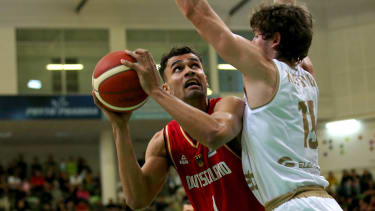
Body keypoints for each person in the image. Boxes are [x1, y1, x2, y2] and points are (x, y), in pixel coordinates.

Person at [172, 0, 343, 210]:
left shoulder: (265, 72)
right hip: (321, 201)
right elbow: (294, 22)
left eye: (256, 35)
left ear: (276, 40)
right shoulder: (306, 72)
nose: (252, 42)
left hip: (293, 204)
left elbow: (197, 12)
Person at [93, 46, 264, 210]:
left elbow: (214, 135)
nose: (189, 71)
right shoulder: (164, 141)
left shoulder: (230, 106)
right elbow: (137, 200)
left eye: (195, 66)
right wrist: (120, 127)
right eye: (178, 69)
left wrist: (156, 91)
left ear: (205, 79)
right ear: (167, 88)